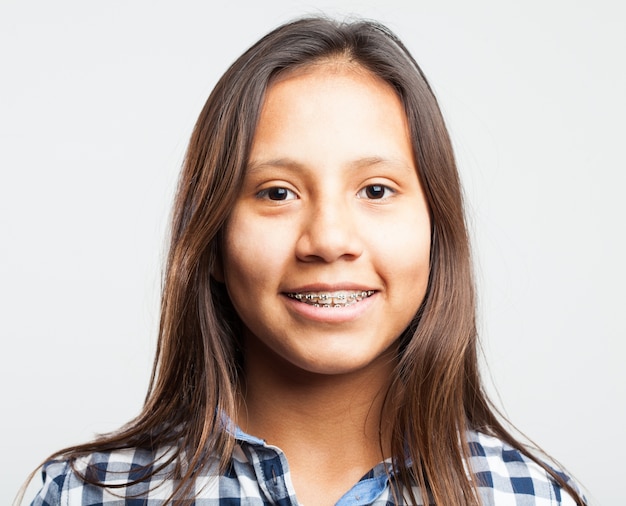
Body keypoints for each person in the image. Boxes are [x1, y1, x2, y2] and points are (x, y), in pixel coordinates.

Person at [23, 16, 586, 506]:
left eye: (376, 190)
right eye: (277, 193)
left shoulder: (532, 496)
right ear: (213, 239)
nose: (329, 239)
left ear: (438, 230)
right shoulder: (84, 495)